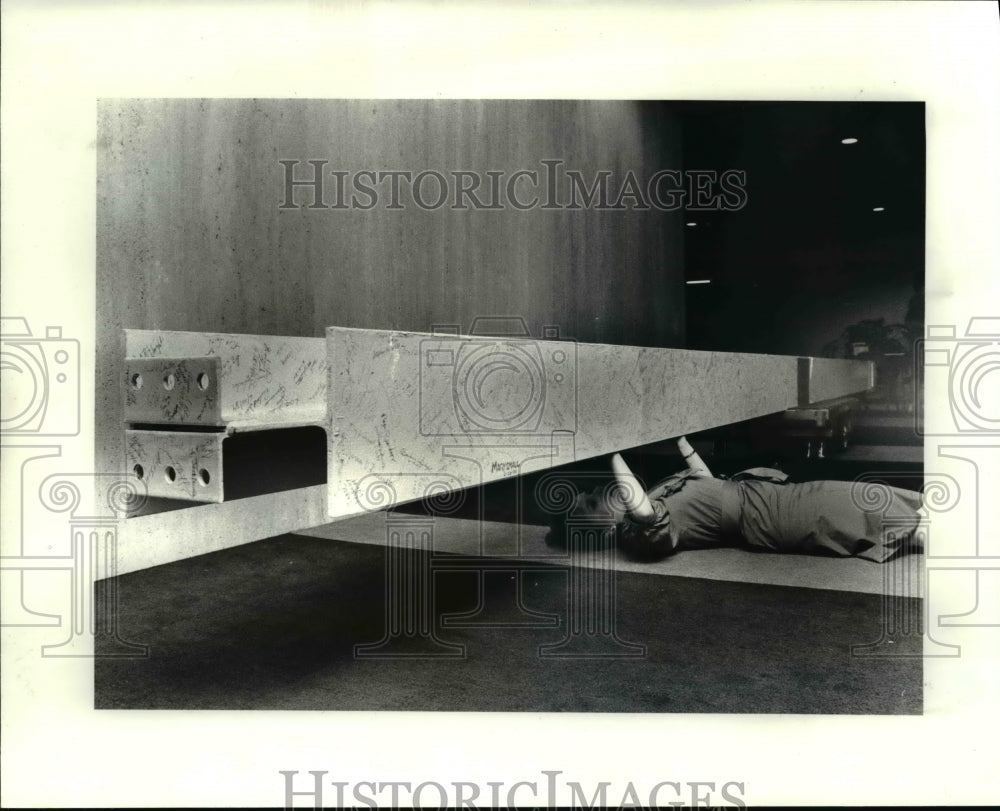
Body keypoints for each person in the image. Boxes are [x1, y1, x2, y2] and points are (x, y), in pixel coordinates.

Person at [555, 437, 924, 563]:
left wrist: (678, 439)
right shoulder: (633, 534)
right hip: (763, 519)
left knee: (838, 493)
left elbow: (702, 479)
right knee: (839, 512)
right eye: (588, 506)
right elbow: (645, 515)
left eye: (588, 494)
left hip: (760, 495)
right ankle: (926, 533)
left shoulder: (654, 491)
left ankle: (924, 519)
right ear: (601, 531)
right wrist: (611, 449)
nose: (594, 494)